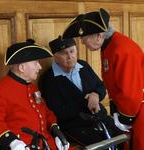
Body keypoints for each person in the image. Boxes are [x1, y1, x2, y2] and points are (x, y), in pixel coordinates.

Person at [62, 8, 144, 150]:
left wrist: (125, 119)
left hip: (138, 113)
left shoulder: (122, 49)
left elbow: (130, 92)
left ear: (99, 35)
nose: (82, 42)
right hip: (130, 112)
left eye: (84, 37)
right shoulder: (109, 46)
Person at [39, 36, 123, 148]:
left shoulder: (83, 66)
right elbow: (57, 112)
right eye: (64, 53)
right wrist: (86, 101)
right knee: (101, 146)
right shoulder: (49, 79)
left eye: (72, 51)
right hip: (75, 126)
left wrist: (96, 95)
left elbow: (101, 86)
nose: (70, 56)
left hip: (99, 117)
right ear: (56, 57)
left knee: (122, 138)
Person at [0, 39, 70, 150]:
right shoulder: (0, 90)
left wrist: (56, 131)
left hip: (46, 142)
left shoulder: (32, 88)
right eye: (36, 63)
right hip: (24, 145)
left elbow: (46, 113)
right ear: (22, 68)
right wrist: (12, 142)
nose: (39, 67)